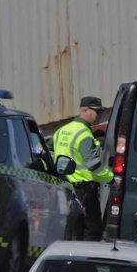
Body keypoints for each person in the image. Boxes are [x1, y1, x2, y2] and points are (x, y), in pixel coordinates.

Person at [53, 96, 115, 241]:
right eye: (97, 112)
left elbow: (49, 147)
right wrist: (111, 179)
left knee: (71, 226)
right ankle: (85, 259)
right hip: (84, 190)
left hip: (64, 185)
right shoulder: (84, 135)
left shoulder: (62, 130)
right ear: (85, 111)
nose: (99, 115)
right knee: (93, 229)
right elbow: (94, 167)